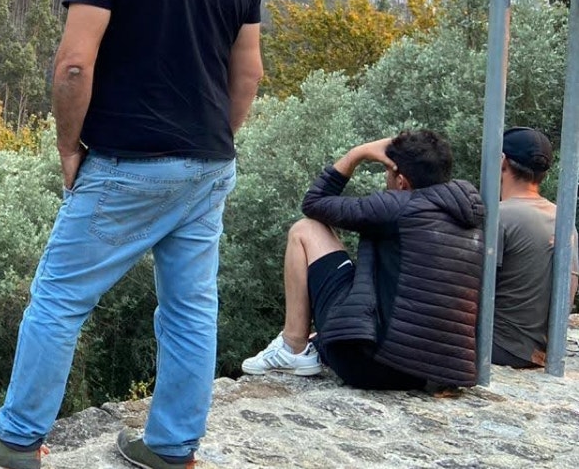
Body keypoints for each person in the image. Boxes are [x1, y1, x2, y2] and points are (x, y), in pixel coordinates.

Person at [0, 0, 263, 469]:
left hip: (128, 163)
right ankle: (173, 448)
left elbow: (72, 66)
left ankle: (17, 439)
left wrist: (70, 148)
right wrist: (215, 143)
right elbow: (248, 74)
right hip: (208, 162)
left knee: (59, 299)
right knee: (190, 309)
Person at [241, 131, 484, 390]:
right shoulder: (471, 215)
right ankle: (314, 341)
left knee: (305, 230)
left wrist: (357, 154)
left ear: (401, 181)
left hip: (369, 366)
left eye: (388, 174)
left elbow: (314, 202)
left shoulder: (398, 206)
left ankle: (293, 347)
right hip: (429, 373)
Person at [492, 126, 578, 369]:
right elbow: (569, 290)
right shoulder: (564, 221)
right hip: (542, 353)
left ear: (502, 161)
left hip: (497, 348)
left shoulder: (499, 217)